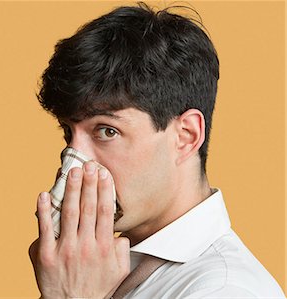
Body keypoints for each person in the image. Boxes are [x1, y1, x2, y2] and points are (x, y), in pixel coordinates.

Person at [28, 3, 285, 298]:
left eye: (107, 131)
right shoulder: (98, 270)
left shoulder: (226, 290)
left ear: (186, 136)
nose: (73, 165)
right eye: (68, 133)